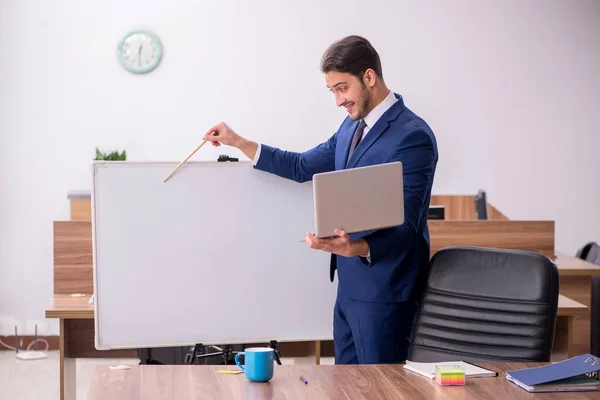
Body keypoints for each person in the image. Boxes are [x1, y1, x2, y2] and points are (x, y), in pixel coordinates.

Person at [203, 35, 438, 364]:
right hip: (348, 290)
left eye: (342, 88)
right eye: (333, 91)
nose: (339, 100)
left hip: (386, 293)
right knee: (346, 388)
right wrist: (238, 141)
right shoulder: (351, 127)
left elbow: (408, 227)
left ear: (369, 77)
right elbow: (302, 166)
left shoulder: (412, 136)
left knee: (384, 390)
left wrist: (355, 248)